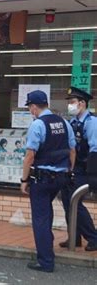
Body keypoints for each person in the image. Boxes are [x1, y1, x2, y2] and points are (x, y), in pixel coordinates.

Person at [20, 90, 76, 273]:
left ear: (35, 107)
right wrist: (69, 171)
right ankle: (47, 249)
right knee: (47, 214)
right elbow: (72, 150)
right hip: (61, 177)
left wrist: (24, 179)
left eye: (30, 107)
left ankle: (45, 261)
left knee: (41, 219)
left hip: (43, 180)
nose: (30, 111)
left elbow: (29, 156)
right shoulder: (64, 122)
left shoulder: (38, 125)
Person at [59, 87, 97, 251]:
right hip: (72, 169)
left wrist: (93, 174)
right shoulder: (73, 123)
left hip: (85, 169)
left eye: (73, 102)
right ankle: (74, 237)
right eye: (69, 102)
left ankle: (93, 237)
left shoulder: (92, 123)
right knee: (68, 203)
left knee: (76, 204)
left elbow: (95, 149)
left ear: (82, 103)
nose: (70, 105)